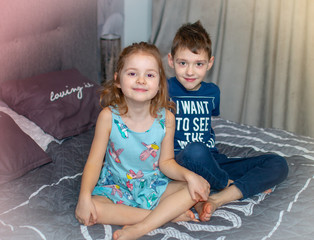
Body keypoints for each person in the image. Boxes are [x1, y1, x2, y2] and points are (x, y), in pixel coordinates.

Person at [75, 42, 210, 240]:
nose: (141, 80)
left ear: (159, 84)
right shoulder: (108, 117)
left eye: (149, 75)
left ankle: (141, 226)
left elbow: (166, 163)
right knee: (92, 209)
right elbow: (94, 162)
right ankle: (162, 217)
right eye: (132, 74)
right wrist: (84, 197)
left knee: (196, 188)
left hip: (153, 186)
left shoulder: (167, 119)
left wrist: (189, 176)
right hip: (117, 186)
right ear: (118, 80)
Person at [167, 21, 289, 222]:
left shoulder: (212, 92)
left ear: (210, 63)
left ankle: (216, 199)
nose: (190, 72)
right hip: (180, 163)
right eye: (183, 63)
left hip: (213, 161)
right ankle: (228, 185)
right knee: (195, 150)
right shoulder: (164, 89)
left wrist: (213, 165)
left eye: (198, 64)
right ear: (171, 61)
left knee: (278, 163)